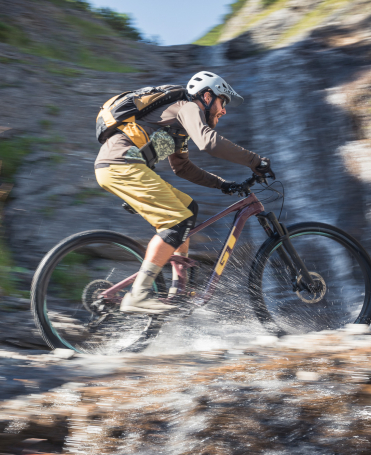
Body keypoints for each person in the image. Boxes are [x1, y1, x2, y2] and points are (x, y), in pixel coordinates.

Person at [94, 71, 275, 314]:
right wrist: (255, 161)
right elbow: (209, 142)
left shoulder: (177, 127)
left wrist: (222, 184)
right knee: (175, 223)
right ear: (207, 96)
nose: (224, 111)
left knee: (188, 208)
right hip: (121, 165)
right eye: (222, 102)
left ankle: (179, 288)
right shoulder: (187, 107)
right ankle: (138, 295)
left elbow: (182, 168)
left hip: (118, 167)